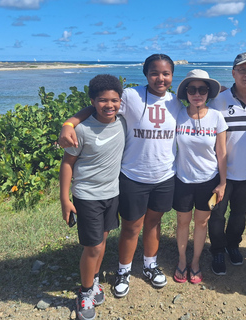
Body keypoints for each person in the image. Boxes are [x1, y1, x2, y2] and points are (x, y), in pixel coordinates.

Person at [58, 54, 182, 297]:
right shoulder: (132, 96)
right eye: (154, 73)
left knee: (154, 223)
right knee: (131, 226)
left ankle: (150, 265)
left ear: (172, 76)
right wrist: (69, 124)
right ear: (146, 74)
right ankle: (123, 271)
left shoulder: (177, 102)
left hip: (165, 175)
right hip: (133, 175)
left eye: (166, 73)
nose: (160, 78)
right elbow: (101, 104)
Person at [59, 74, 126, 320]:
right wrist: (65, 199)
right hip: (87, 196)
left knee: (103, 240)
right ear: (92, 101)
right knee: (93, 246)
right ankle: (84, 292)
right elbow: (67, 164)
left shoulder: (122, 121)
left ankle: (94, 279)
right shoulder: (82, 129)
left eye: (114, 100)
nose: (109, 105)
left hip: (112, 193)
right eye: (102, 101)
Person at [206, 52, 246, 275]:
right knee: (217, 215)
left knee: (240, 214)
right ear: (233, 73)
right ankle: (218, 250)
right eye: (242, 70)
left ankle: (233, 245)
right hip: (222, 174)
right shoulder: (219, 100)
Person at [172, 69, 227, 284]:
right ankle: (182, 261)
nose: (197, 94)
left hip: (209, 180)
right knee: (182, 222)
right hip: (183, 180)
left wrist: (222, 183)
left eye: (202, 89)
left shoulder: (216, 117)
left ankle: (195, 262)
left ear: (208, 93)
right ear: (186, 92)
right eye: (192, 89)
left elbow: (221, 153)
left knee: (201, 223)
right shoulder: (178, 114)